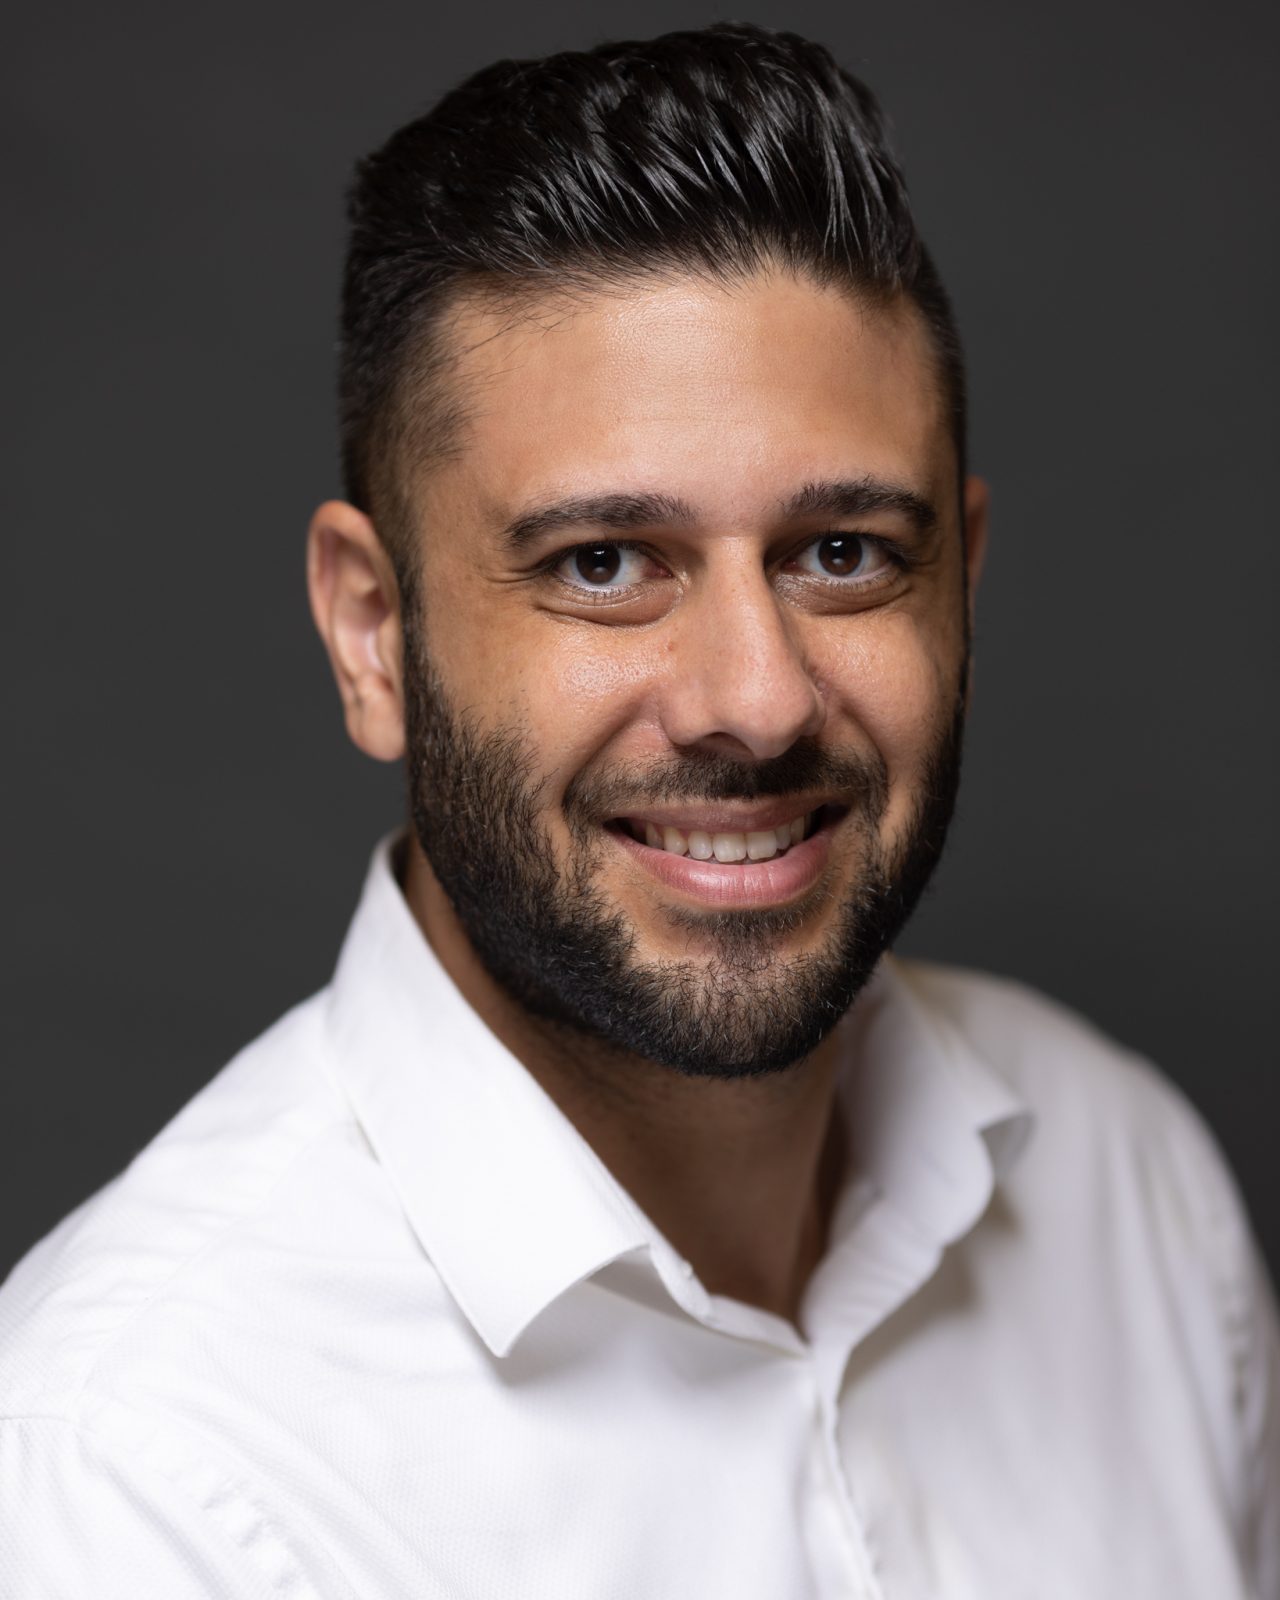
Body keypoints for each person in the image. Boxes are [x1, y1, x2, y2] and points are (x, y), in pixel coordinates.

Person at [1, 21, 1276, 1598]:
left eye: (844, 552)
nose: (754, 697)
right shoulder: (141, 1479)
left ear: (965, 577)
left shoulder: (1126, 1181)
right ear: (372, 633)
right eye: (602, 564)